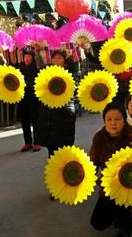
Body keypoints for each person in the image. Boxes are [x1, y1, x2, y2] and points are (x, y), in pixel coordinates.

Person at [89, 102, 132, 237]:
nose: (113, 123)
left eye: (118, 119)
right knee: (98, 223)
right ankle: (117, 211)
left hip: (128, 185)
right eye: (109, 119)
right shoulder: (99, 138)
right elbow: (92, 164)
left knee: (123, 207)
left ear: (124, 121)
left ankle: (126, 218)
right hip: (108, 186)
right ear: (104, 121)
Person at [35, 50, 76, 199]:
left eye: (59, 58)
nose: (56, 60)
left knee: (64, 154)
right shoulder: (46, 74)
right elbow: (39, 67)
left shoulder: (69, 74)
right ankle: (56, 186)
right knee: (52, 155)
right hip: (49, 120)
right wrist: (38, 51)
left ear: (64, 61)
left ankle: (68, 183)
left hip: (64, 117)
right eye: (54, 58)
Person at [17, 49, 40, 152]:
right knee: (24, 121)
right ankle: (27, 143)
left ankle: (37, 142)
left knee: (35, 120)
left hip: (34, 98)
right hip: (22, 98)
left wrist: (27, 83)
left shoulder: (36, 66)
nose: (26, 58)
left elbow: (38, 81)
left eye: (29, 56)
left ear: (33, 57)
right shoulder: (20, 66)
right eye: (25, 56)